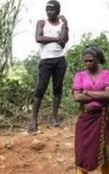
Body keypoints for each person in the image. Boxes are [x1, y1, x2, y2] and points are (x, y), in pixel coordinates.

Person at [71, 46, 109, 174]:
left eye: (91, 60)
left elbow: (108, 95)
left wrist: (88, 93)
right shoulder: (79, 76)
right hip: (85, 120)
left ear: (98, 60)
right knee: (81, 154)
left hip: (102, 119)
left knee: (105, 156)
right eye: (85, 61)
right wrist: (98, 95)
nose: (88, 64)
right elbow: (77, 97)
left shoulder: (107, 74)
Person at [29, 0, 69, 134]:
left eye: (52, 9)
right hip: (45, 60)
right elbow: (38, 38)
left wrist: (66, 25)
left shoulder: (62, 24)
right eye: (47, 9)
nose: (49, 12)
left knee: (57, 89)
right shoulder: (42, 22)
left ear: (58, 11)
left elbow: (64, 40)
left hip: (59, 60)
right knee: (40, 88)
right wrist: (56, 39)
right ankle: (33, 120)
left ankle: (54, 117)